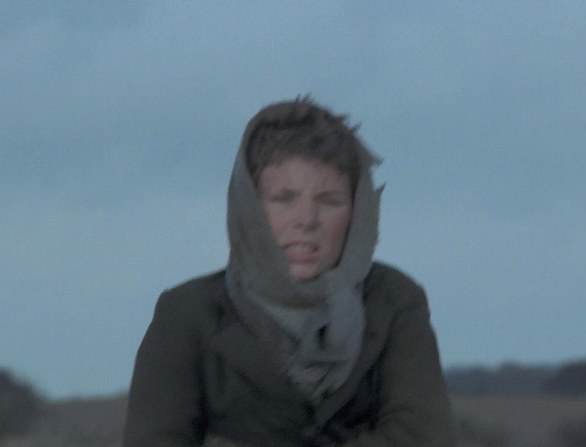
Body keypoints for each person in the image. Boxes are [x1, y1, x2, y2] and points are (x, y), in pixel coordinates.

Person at [123, 97, 455, 447]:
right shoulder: (187, 314)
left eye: (329, 200)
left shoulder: (395, 301)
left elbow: (424, 437)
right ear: (249, 206)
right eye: (284, 198)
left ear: (356, 212)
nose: (307, 220)